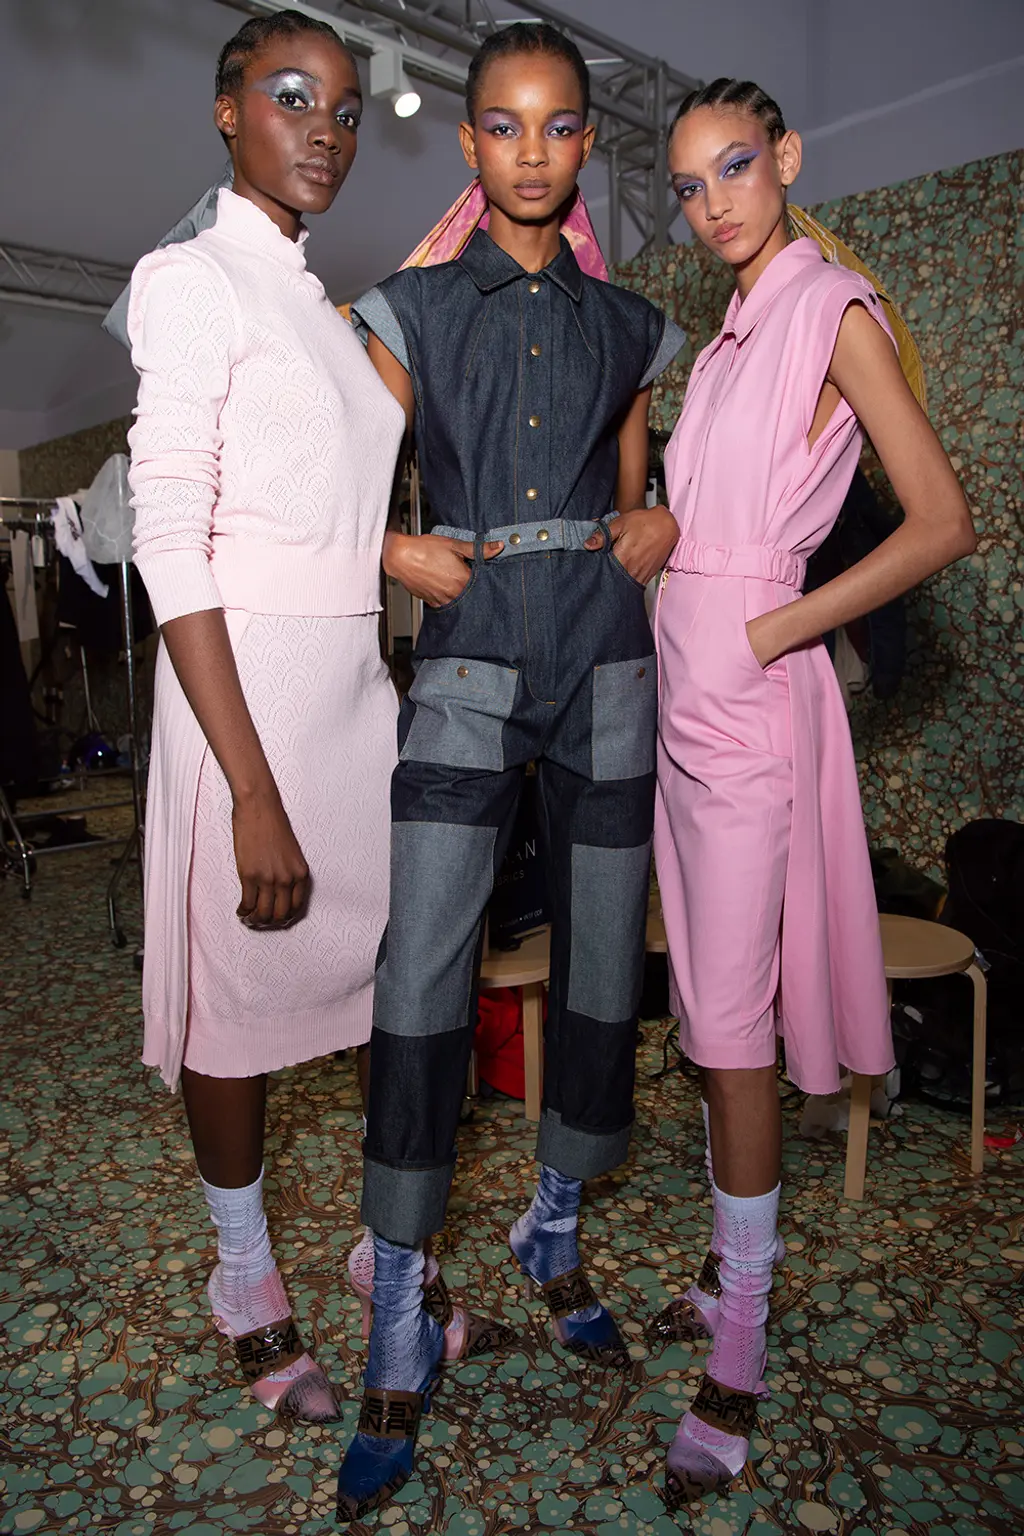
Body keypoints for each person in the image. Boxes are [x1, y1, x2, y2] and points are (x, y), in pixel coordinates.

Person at [336, 22, 686, 1521]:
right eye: (502, 125)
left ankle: (554, 1224)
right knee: (423, 968)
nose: (530, 151)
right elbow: (334, 487)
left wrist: (659, 515)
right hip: (470, 659)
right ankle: (399, 1312)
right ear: (468, 141)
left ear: (586, 142)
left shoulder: (635, 325)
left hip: (605, 657)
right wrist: (385, 545)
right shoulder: (409, 310)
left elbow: (639, 491)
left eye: (556, 126)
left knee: (605, 954)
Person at [647, 78, 976, 1507]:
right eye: (689, 184)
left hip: (748, 703)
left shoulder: (830, 307)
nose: (713, 202)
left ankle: (741, 1342)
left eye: (735, 167)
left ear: (785, 157)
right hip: (682, 704)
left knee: (732, 1034)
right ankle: (734, 1269)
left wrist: (774, 626)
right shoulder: (729, 333)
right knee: (705, 1011)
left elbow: (943, 519)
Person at [124, 11, 404, 1421]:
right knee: (237, 1005)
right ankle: (244, 1272)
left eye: (347, 109)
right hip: (246, 703)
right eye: (293, 97)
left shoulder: (327, 312)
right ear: (228, 110)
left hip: (355, 694)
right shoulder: (190, 278)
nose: (327, 130)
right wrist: (248, 787)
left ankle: (378, 1247)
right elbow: (169, 538)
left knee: (378, 995)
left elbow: (339, 513)